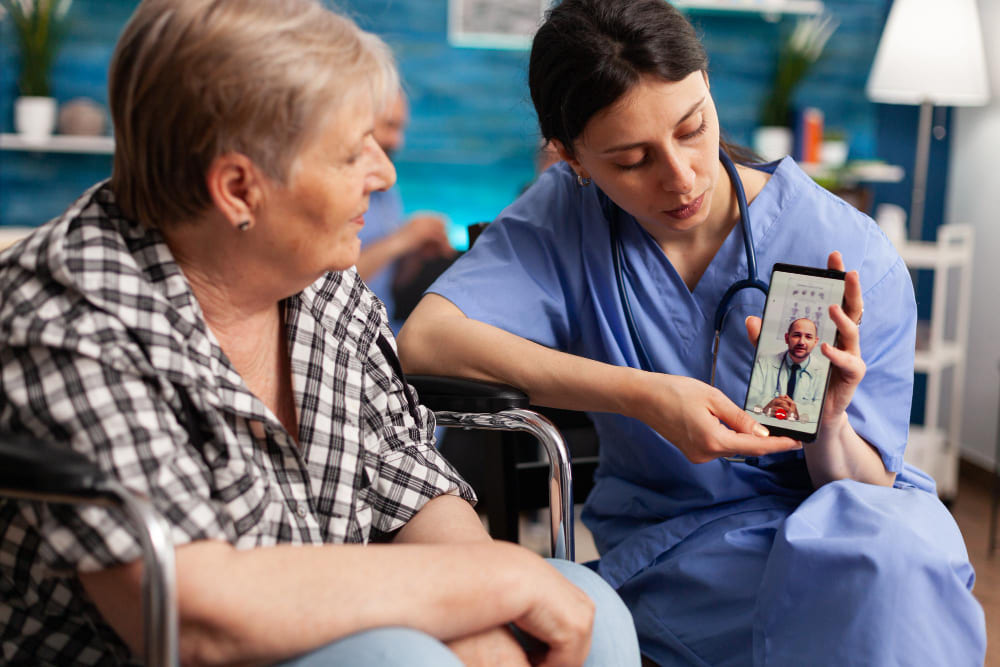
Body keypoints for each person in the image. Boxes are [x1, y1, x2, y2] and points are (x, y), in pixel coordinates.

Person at [0, 1, 641, 665]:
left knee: (589, 611)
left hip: (334, 606)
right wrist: (500, 579)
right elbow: (191, 614)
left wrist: (487, 614)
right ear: (239, 188)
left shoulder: (321, 281)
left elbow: (410, 478)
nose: (384, 173)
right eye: (350, 153)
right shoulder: (70, 313)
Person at [397, 0, 986, 664]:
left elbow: (868, 486)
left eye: (693, 127)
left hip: (851, 526)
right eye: (631, 159)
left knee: (891, 569)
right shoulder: (565, 217)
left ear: (706, 84)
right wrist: (642, 394)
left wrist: (830, 424)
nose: (681, 177)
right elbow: (426, 338)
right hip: (684, 552)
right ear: (571, 157)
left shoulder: (841, 244)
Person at [354, 87, 455, 333]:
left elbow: (390, 281)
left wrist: (413, 254)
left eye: (401, 128)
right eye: (389, 126)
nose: (397, 140)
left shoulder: (388, 193)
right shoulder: (342, 191)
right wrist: (401, 239)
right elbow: (324, 281)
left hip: (383, 325)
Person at [746, 317, 824, 422]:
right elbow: (749, 395)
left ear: (815, 342)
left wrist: (797, 410)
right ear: (787, 338)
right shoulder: (765, 362)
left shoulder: (823, 372)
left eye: (808, 337)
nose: (801, 342)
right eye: (797, 335)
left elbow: (823, 409)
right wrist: (767, 404)